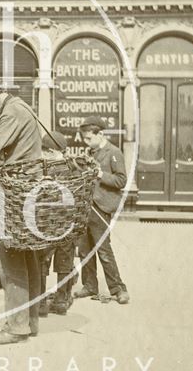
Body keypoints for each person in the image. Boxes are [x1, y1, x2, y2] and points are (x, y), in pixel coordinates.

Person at [0, 81, 44, 345]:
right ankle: (30, 321)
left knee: (10, 259)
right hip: (29, 190)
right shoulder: (23, 106)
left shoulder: (10, 113)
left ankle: (15, 327)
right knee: (28, 258)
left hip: (14, 193)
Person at [74, 116, 130, 305]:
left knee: (103, 250)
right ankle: (90, 285)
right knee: (84, 249)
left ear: (101, 134)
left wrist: (100, 174)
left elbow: (121, 180)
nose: (86, 142)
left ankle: (118, 289)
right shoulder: (90, 152)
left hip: (101, 208)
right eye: (84, 139)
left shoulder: (114, 152)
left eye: (89, 138)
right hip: (85, 207)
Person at [37, 131, 76, 316]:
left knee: (51, 259)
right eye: (43, 151)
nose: (44, 155)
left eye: (48, 151)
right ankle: (55, 300)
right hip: (62, 224)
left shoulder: (59, 169)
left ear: (59, 152)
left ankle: (50, 301)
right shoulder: (71, 168)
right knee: (61, 259)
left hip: (52, 222)